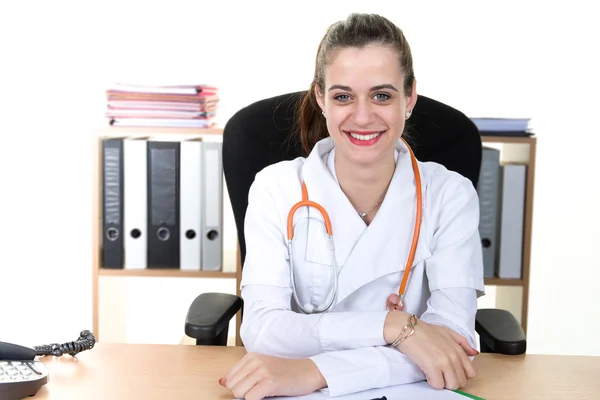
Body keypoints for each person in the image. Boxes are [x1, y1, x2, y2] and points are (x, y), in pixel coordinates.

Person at [219, 12, 485, 400]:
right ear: (320, 99)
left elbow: (453, 345)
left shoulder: (449, 195)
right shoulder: (275, 189)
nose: (362, 117)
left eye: (382, 95)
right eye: (343, 96)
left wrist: (313, 370)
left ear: (409, 97)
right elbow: (262, 331)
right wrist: (395, 328)